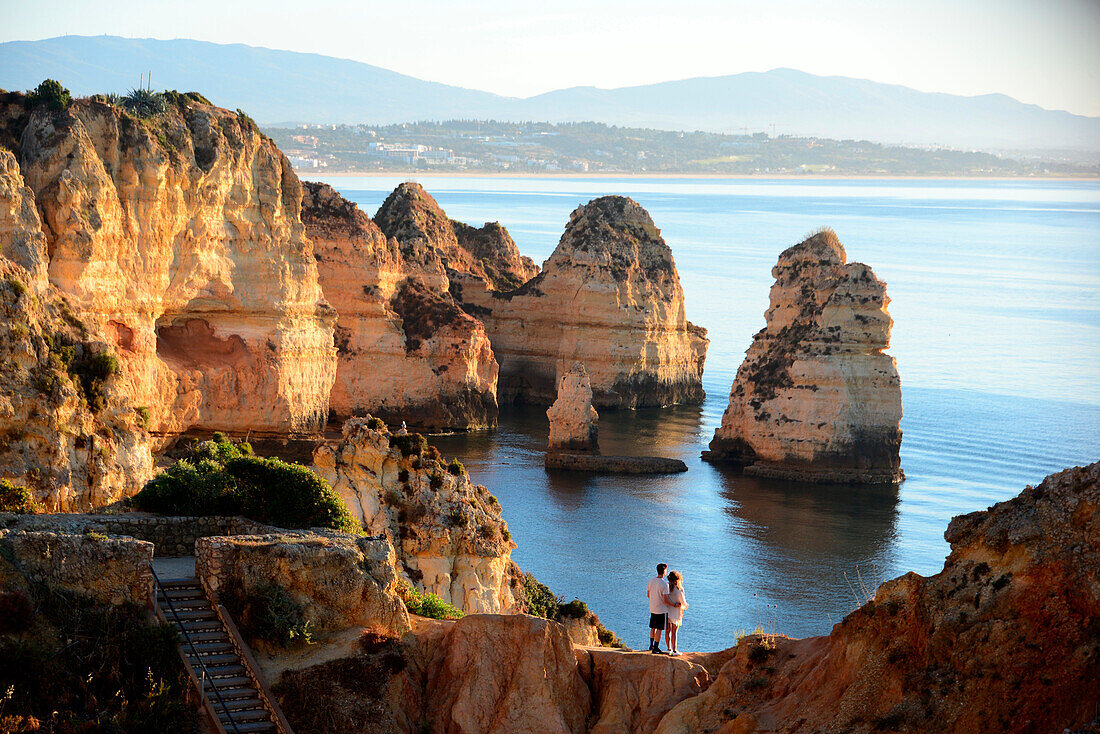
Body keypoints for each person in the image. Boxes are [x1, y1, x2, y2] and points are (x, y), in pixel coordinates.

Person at [646, 563, 670, 654]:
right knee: (659, 629)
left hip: (652, 608)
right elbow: (665, 599)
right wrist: (674, 604)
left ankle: (651, 645)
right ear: (664, 571)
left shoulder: (651, 581)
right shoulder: (664, 584)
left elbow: (648, 595)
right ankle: (656, 647)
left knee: (653, 628)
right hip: (662, 610)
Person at [665, 571, 688, 656]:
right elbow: (683, 603)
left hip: (667, 611)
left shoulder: (666, 587)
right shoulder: (679, 589)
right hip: (676, 612)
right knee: (674, 632)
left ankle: (668, 649)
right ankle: (674, 650)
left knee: (667, 631)